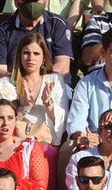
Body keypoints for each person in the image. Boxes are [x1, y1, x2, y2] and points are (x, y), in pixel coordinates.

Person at [0, 0, 73, 80]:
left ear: (46, 0)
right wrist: (21, 81)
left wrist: (38, 82)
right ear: (16, 1)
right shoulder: (2, 30)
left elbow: (63, 66)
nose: (31, 3)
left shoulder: (58, 24)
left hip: (53, 84)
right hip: (15, 86)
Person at [11, 33, 71, 165]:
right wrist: (25, 107)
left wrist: (47, 103)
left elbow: (62, 120)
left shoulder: (54, 80)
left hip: (44, 143)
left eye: (36, 54)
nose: (31, 58)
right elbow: (2, 122)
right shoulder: (8, 83)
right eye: (26, 53)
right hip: (16, 144)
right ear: (19, 56)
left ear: (44, 58)